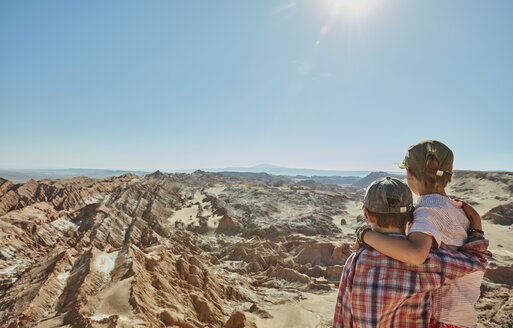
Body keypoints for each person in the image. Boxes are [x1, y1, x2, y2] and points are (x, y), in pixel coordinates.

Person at [333, 176, 490, 328]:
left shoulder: (355, 261)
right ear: (411, 215)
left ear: (368, 215)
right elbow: (476, 260)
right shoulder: (428, 261)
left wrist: (363, 234)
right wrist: (476, 227)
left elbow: (344, 314)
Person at [361, 140, 484, 328]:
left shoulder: (428, 210)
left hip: (441, 317)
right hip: (461, 312)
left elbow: (416, 254)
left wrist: (365, 235)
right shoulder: (457, 209)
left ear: (409, 174)